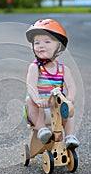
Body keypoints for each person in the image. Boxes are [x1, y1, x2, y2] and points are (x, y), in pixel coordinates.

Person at [24, 19, 79, 148]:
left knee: (68, 109)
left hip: (56, 107)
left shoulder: (63, 69)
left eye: (47, 42)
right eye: (37, 43)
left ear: (58, 46)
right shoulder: (35, 67)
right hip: (39, 109)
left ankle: (70, 136)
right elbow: (30, 85)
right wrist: (37, 100)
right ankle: (42, 130)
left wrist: (70, 98)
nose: (41, 46)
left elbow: (71, 86)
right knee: (29, 101)